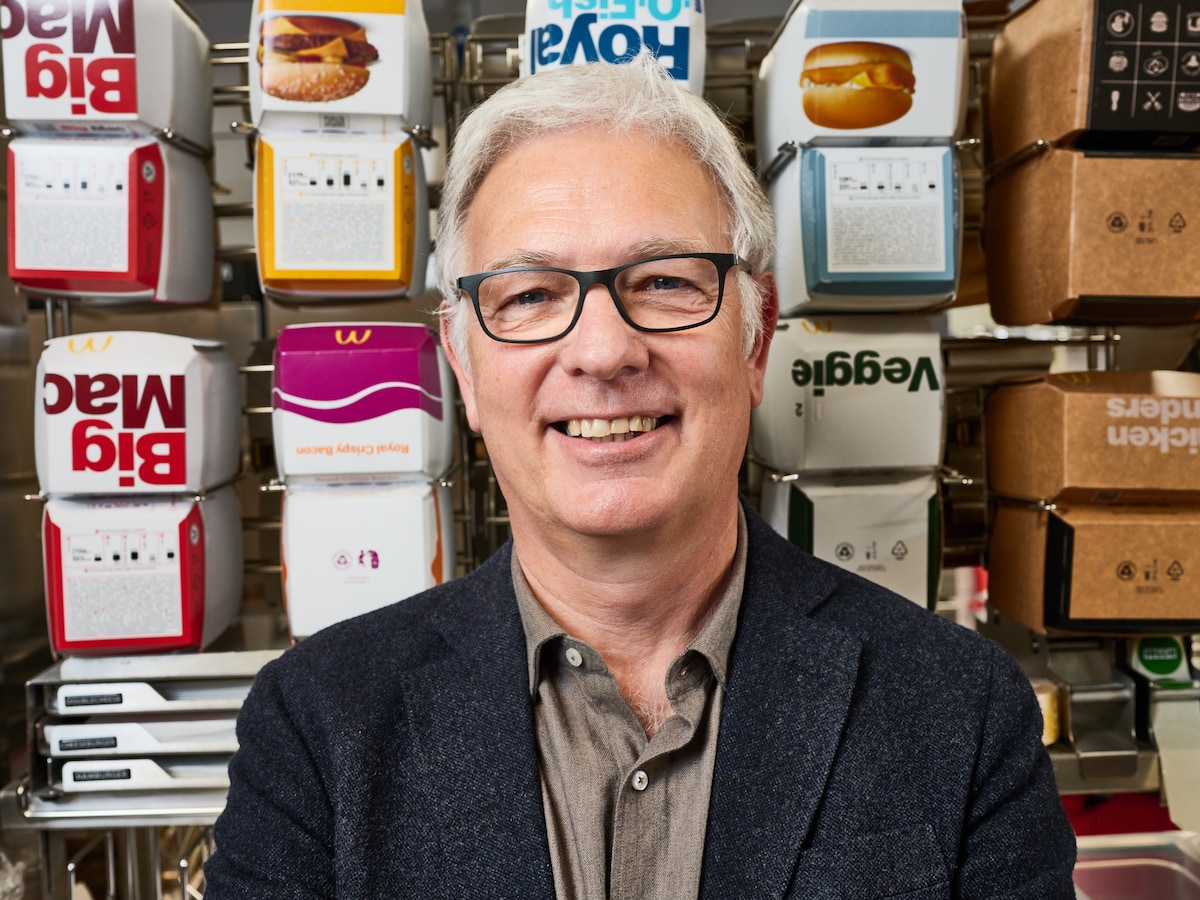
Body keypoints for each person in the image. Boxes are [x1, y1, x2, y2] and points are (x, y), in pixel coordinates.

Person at [204, 53, 1077, 898]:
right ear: (463, 366)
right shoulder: (316, 726)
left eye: (662, 282)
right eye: (531, 295)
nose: (603, 350)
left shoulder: (960, 709)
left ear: (756, 341)